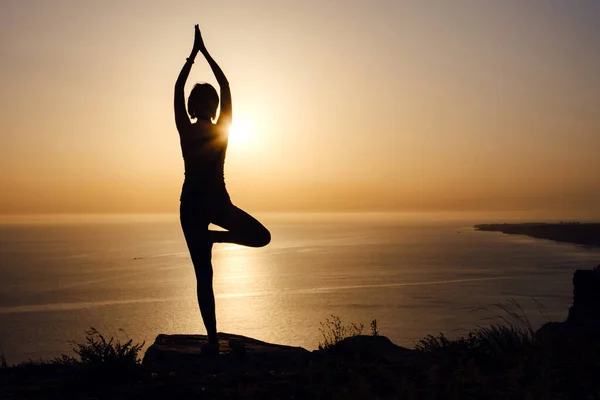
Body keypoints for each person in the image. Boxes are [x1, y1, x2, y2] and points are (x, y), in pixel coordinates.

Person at [174, 24, 271, 355]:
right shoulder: (203, 129)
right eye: (203, 99)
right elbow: (189, 88)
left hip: (209, 203)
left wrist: (199, 54)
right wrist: (197, 56)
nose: (206, 103)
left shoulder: (216, 129)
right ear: (197, 105)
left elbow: (222, 85)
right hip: (201, 205)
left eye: (209, 99)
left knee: (259, 237)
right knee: (204, 276)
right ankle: (213, 341)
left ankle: (214, 238)